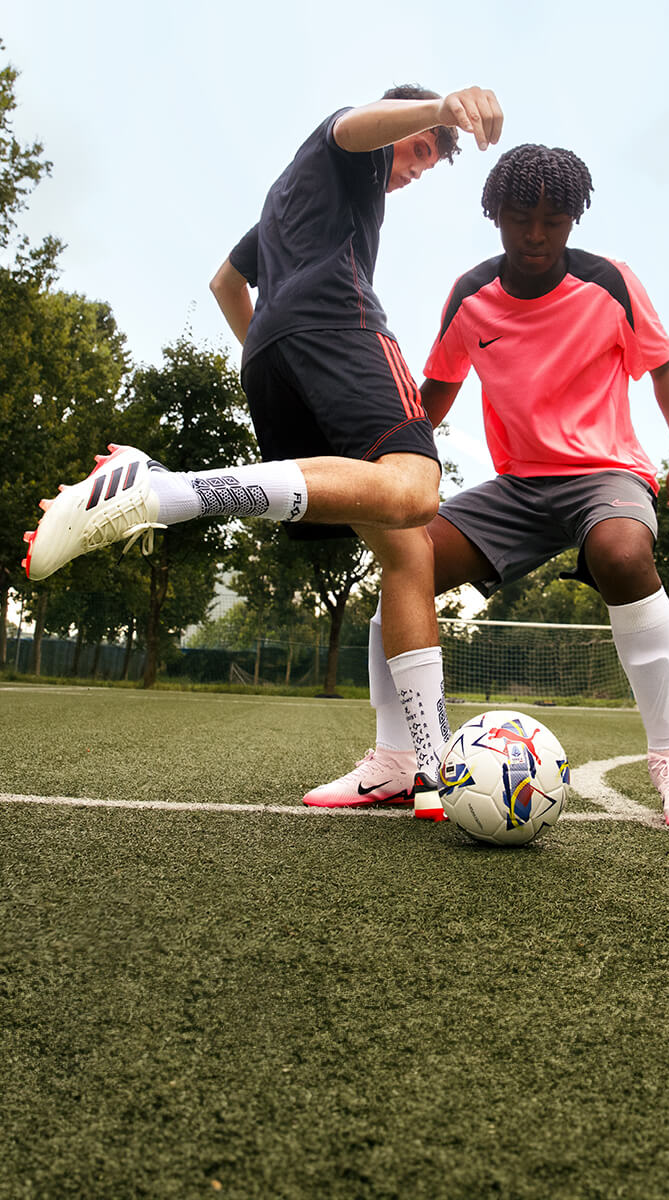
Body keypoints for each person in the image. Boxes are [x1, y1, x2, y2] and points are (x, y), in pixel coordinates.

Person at [22, 84, 502, 806]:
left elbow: (224, 281)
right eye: (421, 154)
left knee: (407, 549)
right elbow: (353, 127)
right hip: (341, 326)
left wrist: (273, 349)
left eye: (429, 163)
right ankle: (166, 490)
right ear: (399, 123)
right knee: (416, 491)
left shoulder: (286, 204)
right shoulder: (350, 148)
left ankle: (416, 765)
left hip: (275, 356)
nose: (417, 168)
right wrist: (438, 109)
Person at [303, 142, 669, 834]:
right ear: (494, 213)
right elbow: (433, 394)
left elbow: (666, 367)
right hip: (519, 486)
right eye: (521, 216)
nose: (536, 233)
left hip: (603, 474)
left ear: (573, 220)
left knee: (621, 554)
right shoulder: (471, 296)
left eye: (553, 219)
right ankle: (397, 761)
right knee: (408, 555)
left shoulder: (610, 282)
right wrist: (381, 469)